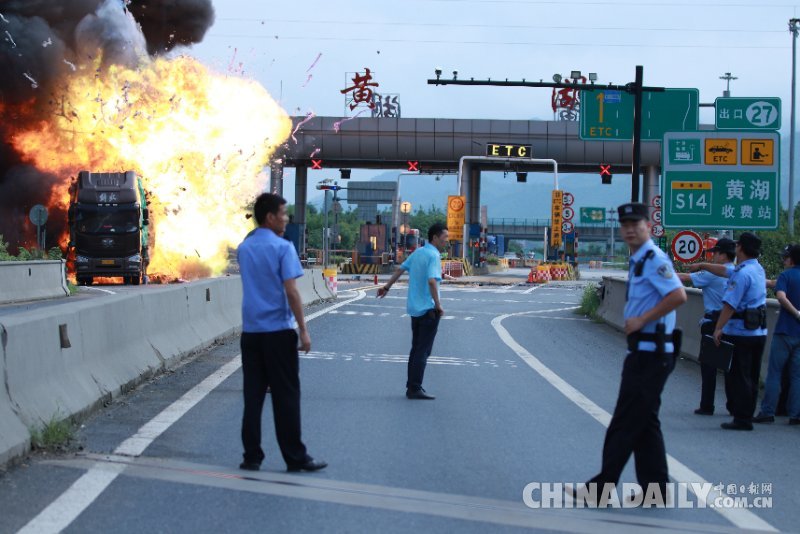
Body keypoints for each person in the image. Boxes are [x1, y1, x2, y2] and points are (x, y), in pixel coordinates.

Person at [567, 203, 687, 505]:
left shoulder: (654, 258)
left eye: (636, 223)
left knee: (624, 423)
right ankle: (656, 490)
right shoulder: (639, 259)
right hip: (646, 351)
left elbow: (678, 295)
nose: (630, 229)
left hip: (652, 353)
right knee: (645, 422)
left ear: (649, 225)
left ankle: (600, 490)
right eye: (625, 224)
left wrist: (642, 320)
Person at [236, 192, 327, 472]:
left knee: (253, 395)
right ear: (270, 216)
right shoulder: (283, 248)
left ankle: (252, 456)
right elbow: (291, 291)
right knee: (285, 395)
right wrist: (304, 330)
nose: (287, 219)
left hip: (251, 332)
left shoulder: (244, 248)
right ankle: (295, 457)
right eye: (284, 213)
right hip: (278, 331)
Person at [689, 232, 767, 431]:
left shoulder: (741, 275)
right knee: (751, 375)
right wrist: (704, 265)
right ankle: (746, 414)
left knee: (738, 376)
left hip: (741, 332)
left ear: (741, 248)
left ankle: (741, 419)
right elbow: (724, 272)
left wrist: (718, 328)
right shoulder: (756, 269)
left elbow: (730, 305)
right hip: (758, 331)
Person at [377, 222, 449, 399]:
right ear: (435, 238)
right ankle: (415, 387)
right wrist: (438, 305)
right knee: (423, 351)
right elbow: (432, 281)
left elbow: (400, 270)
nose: (446, 241)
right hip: (428, 310)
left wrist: (386, 287)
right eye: (444, 238)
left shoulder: (418, 252)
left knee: (416, 349)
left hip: (414, 310)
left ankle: (412, 386)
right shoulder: (433, 255)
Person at [677, 238, 736, 416]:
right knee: (731, 368)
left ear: (723, 254)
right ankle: (733, 406)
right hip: (733, 323)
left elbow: (685, 278)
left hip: (713, 323)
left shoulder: (712, 274)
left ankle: (707, 405)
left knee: (709, 366)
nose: (713, 257)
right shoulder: (738, 271)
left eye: (715, 253)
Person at [753, 244, 800, 425]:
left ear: (791, 259)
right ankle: (795, 415)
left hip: (784, 331)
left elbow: (780, 296)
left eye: (786, 257)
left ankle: (767, 412)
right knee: (797, 376)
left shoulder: (786, 276)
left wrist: (795, 313)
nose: (783, 260)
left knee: (775, 373)